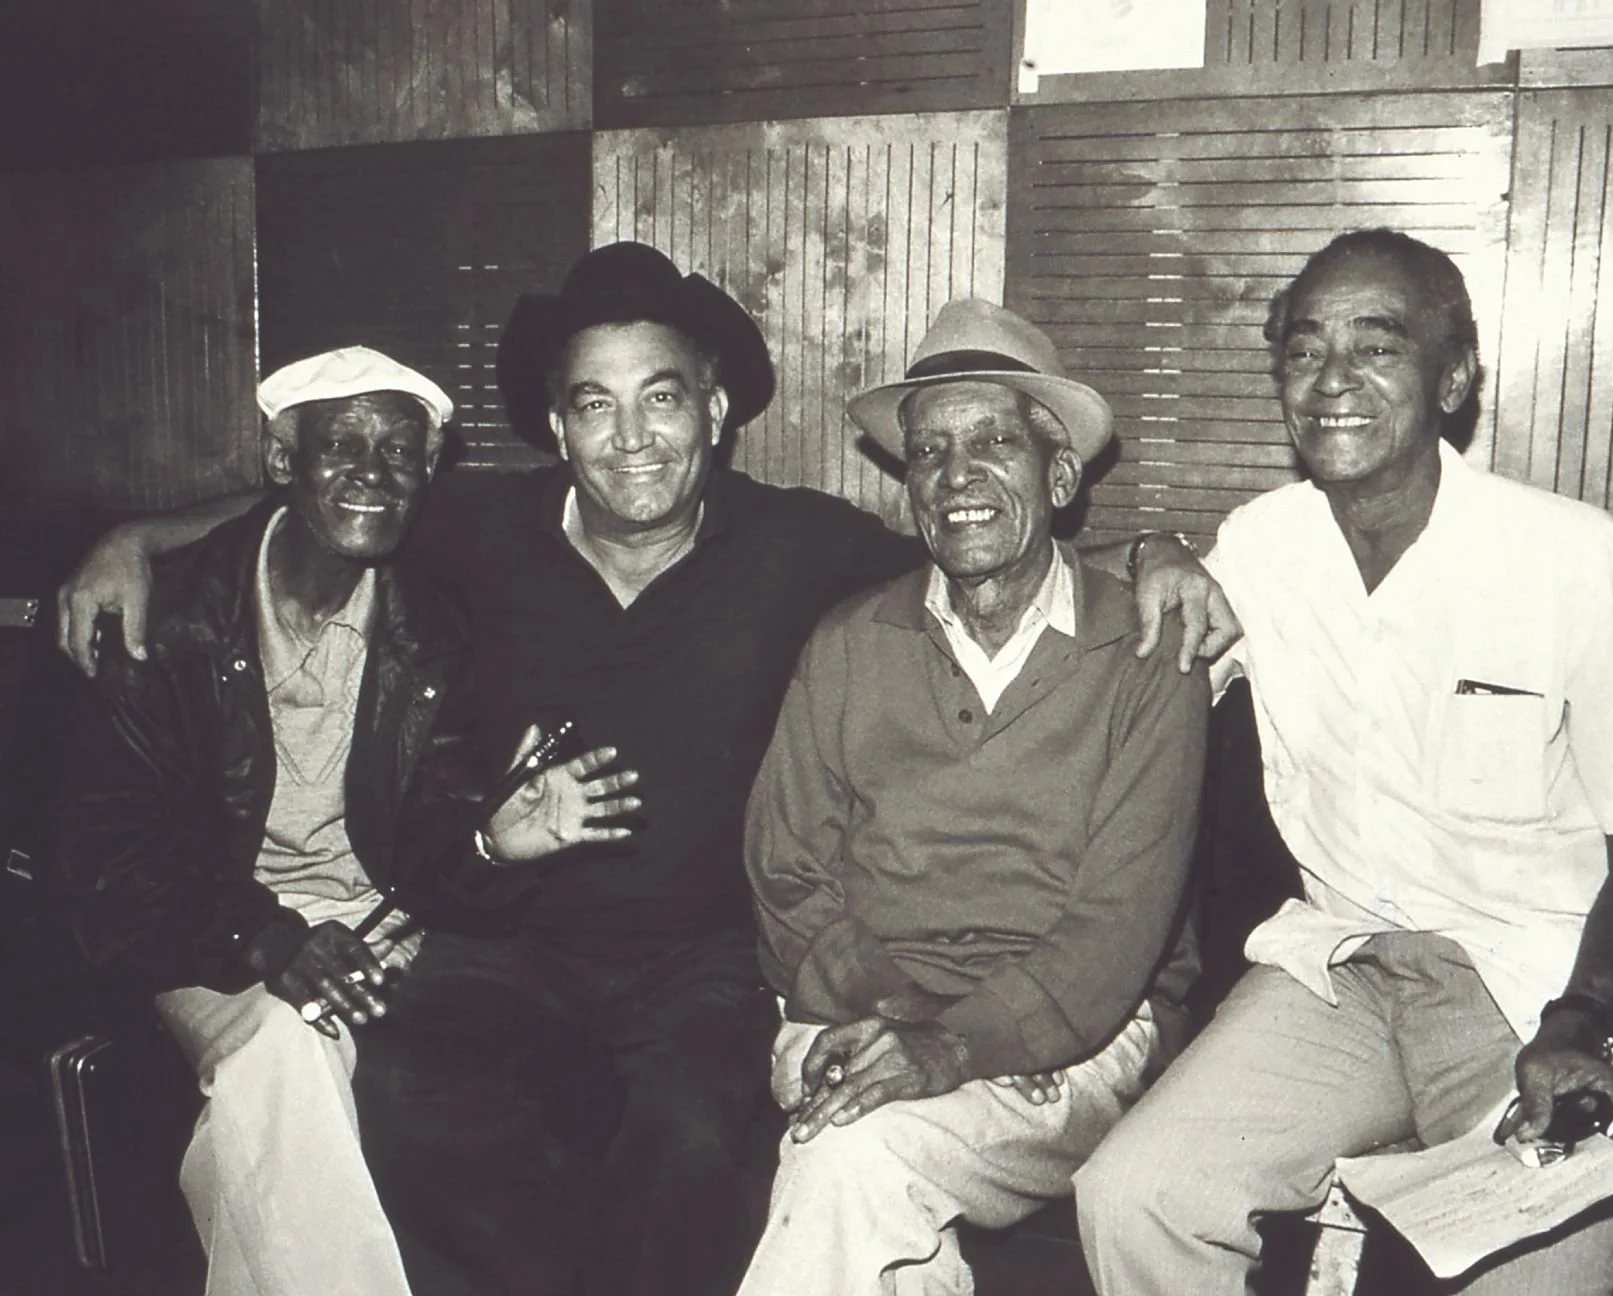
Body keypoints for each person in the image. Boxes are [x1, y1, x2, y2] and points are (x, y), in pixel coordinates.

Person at [53, 242, 1236, 1295]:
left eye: (661, 398)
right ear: (557, 428)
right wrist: (133, 539)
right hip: (506, 944)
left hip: (707, 963)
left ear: (713, 411)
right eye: (595, 405)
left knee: (693, 1139)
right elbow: (325, 500)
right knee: (410, 1104)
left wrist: (1158, 550)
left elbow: (980, 538)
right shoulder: (480, 528)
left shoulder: (800, 547)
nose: (631, 439)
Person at [1073, 229, 1613, 1295]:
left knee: (1544, 1268)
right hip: (1343, 970)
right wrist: (1155, 547)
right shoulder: (1266, 545)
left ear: (1453, 380)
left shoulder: (1572, 558)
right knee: (1137, 1196)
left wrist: (1580, 1024)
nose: (1331, 379)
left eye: (1376, 347)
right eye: (1304, 351)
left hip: (1547, 989)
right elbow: (1075, 588)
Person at [54, 347, 640, 1296]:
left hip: (379, 930)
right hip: (202, 929)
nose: (374, 473)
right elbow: (114, 861)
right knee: (285, 1048)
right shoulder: (163, 622)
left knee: (285, 1109)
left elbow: (432, 850)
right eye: (343, 446)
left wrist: (494, 842)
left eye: (401, 453)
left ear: (428, 473)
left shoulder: (435, 629)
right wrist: (268, 938)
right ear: (282, 461)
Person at [737, 300, 1209, 1295]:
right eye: (929, 452)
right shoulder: (850, 642)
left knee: (848, 1157)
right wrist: (919, 1023)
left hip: (1075, 1030)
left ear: (1059, 476)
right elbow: (785, 872)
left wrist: (971, 1037)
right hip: (856, 1004)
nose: (956, 476)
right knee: (860, 1172)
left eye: (993, 441)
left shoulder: (1145, 652)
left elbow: (1118, 926)